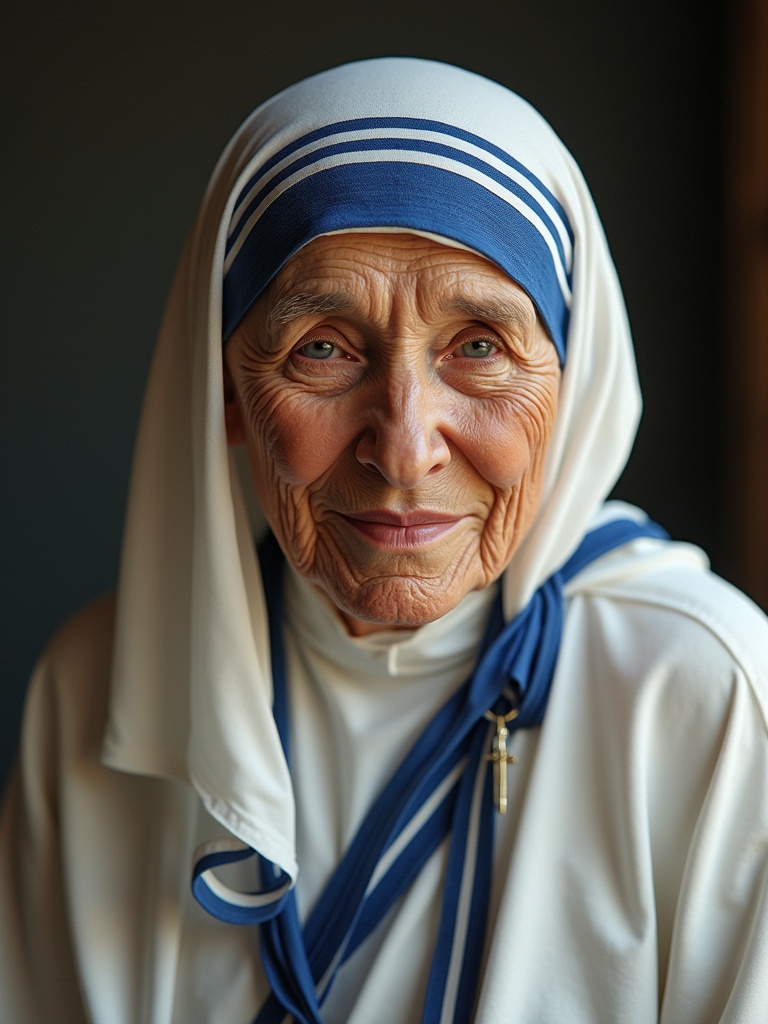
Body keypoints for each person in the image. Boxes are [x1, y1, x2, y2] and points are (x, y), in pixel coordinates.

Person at [1, 57, 767, 1024]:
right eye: (322, 347)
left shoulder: (709, 697)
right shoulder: (92, 692)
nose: (404, 452)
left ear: (570, 392)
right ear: (227, 393)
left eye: (480, 347)